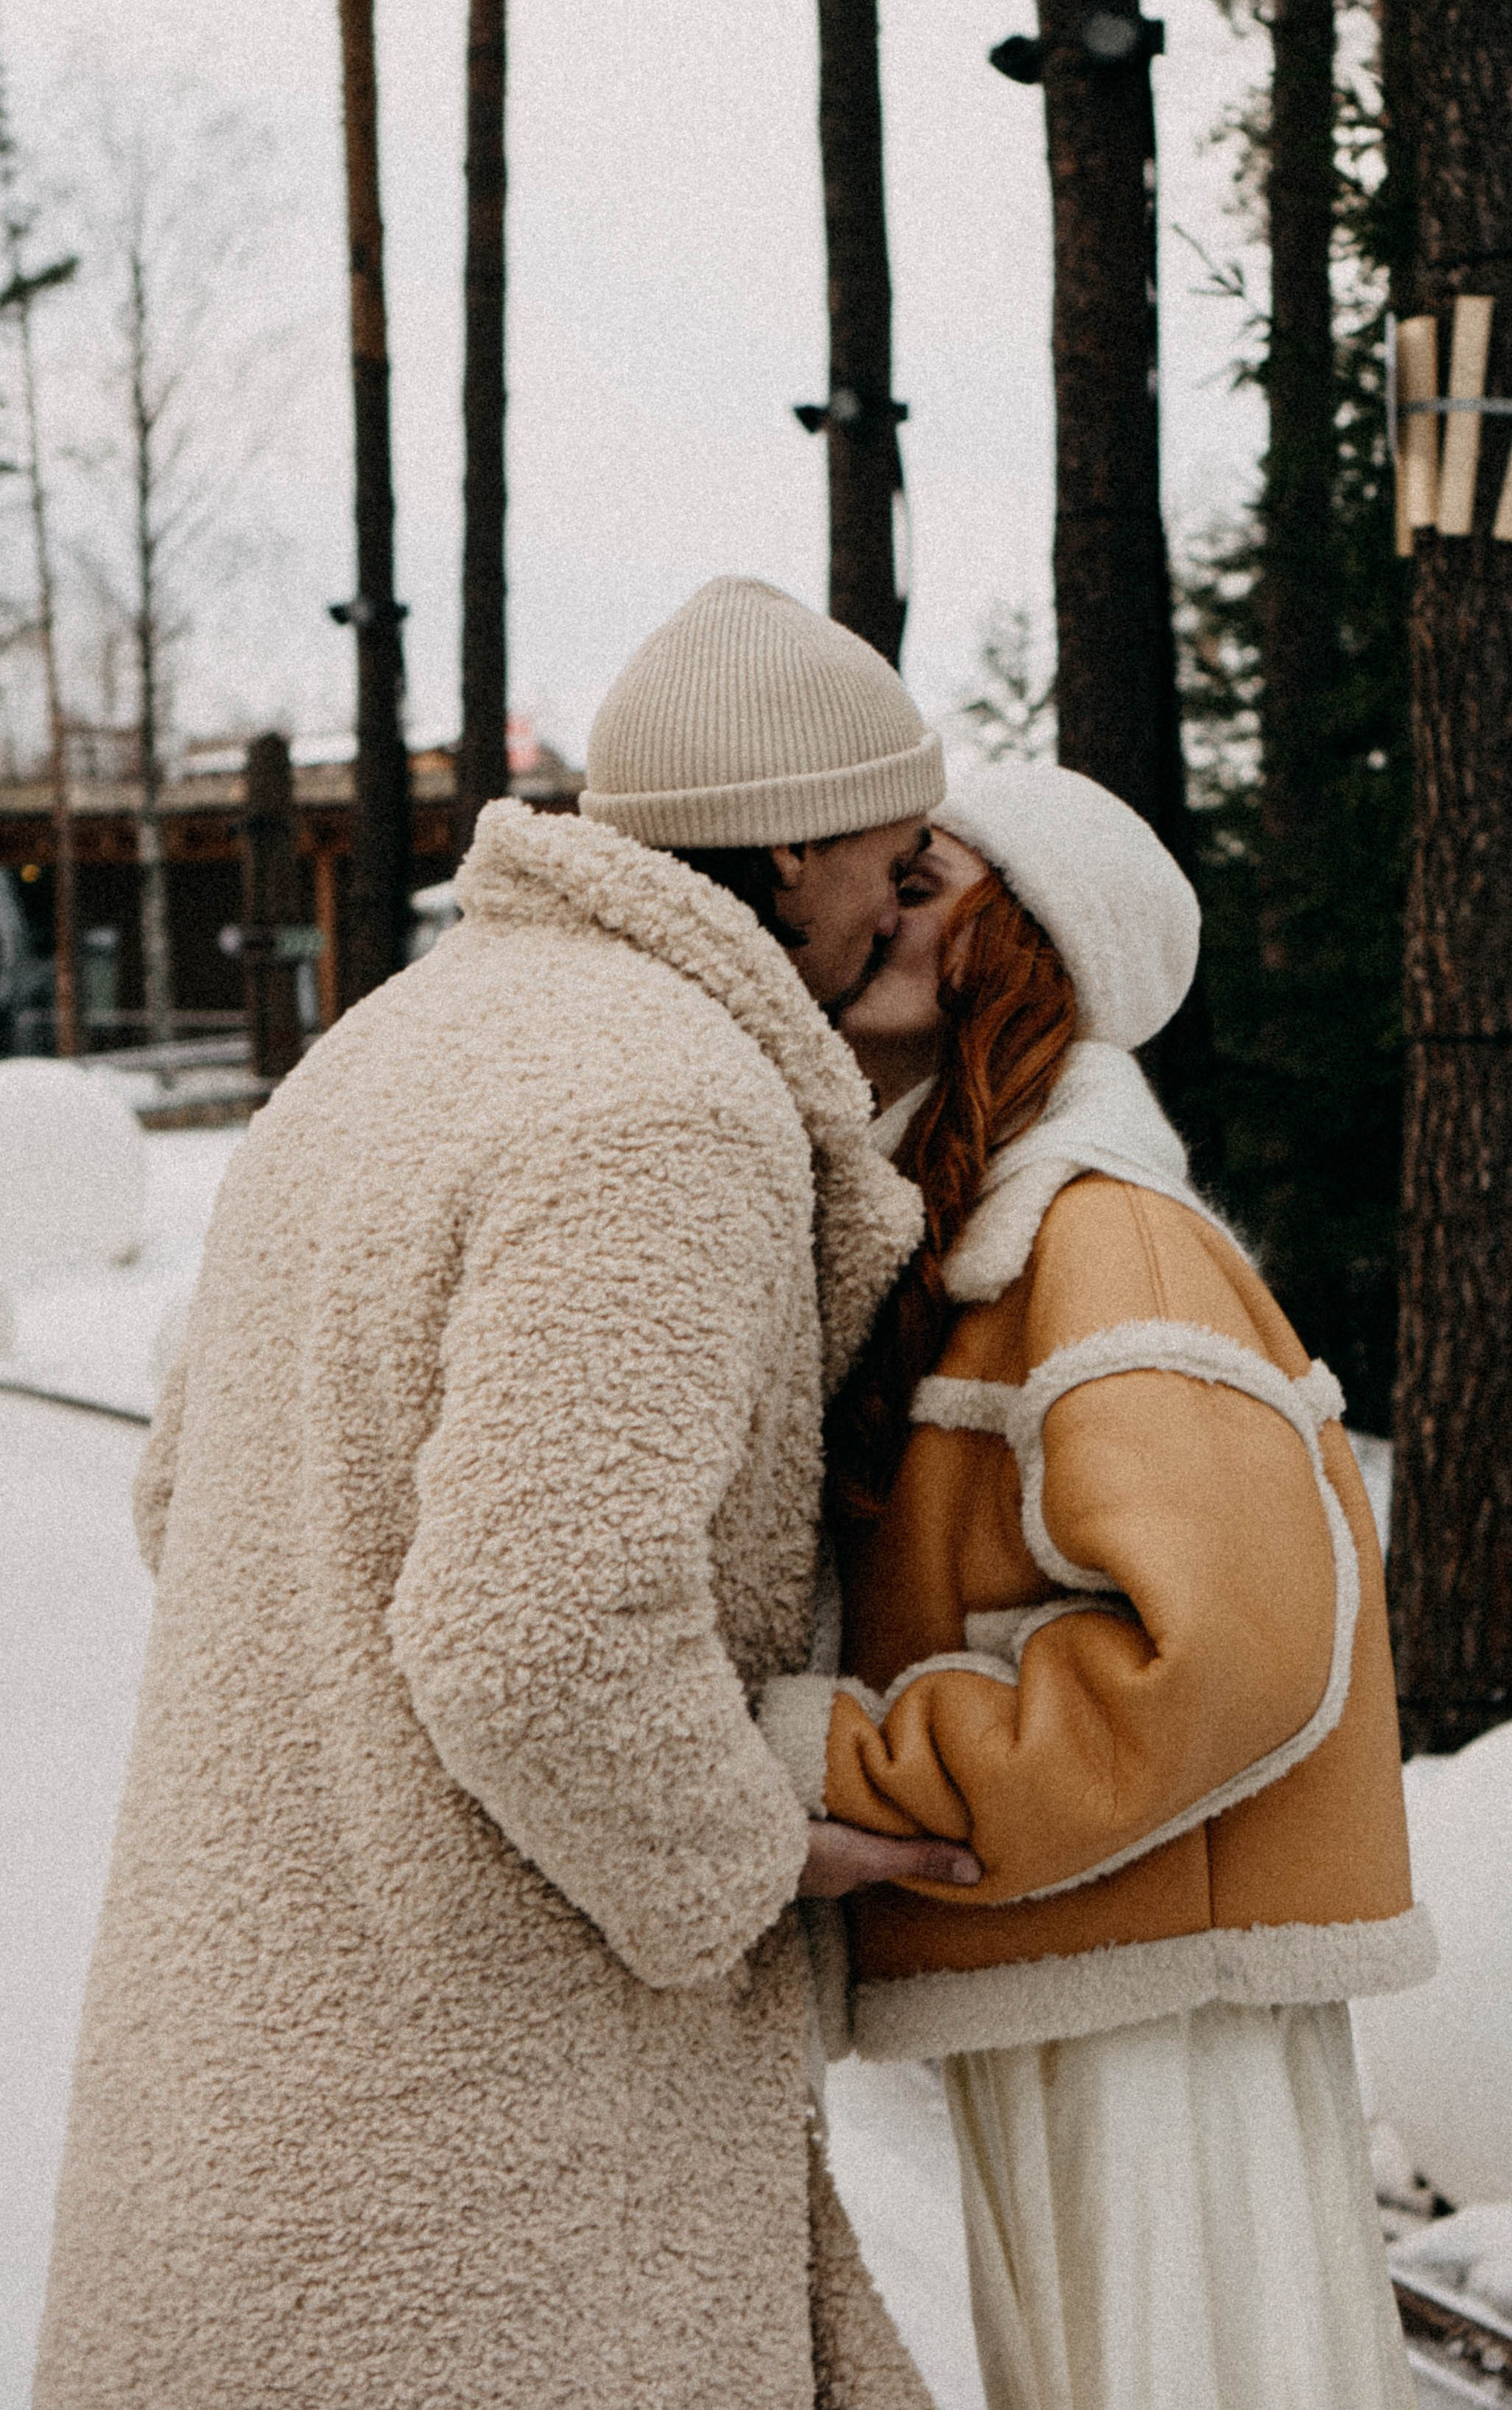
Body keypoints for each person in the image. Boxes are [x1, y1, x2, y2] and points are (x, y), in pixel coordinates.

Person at [34, 577, 975, 2410]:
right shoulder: (667, 1105)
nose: (905, 896)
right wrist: (749, 1843)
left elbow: (180, 1495)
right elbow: (535, 1629)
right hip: (476, 2163)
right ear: (784, 860)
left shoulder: (390, 1047)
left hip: (253, 2077)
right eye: (890, 852)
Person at [759, 763, 1434, 2410]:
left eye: (918, 886)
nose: (856, 917)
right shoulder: (969, 1229)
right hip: (1088, 1956)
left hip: (1156, 2000)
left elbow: (1222, 1654)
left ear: (1028, 950)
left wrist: (834, 1758)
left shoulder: (1099, 1234)